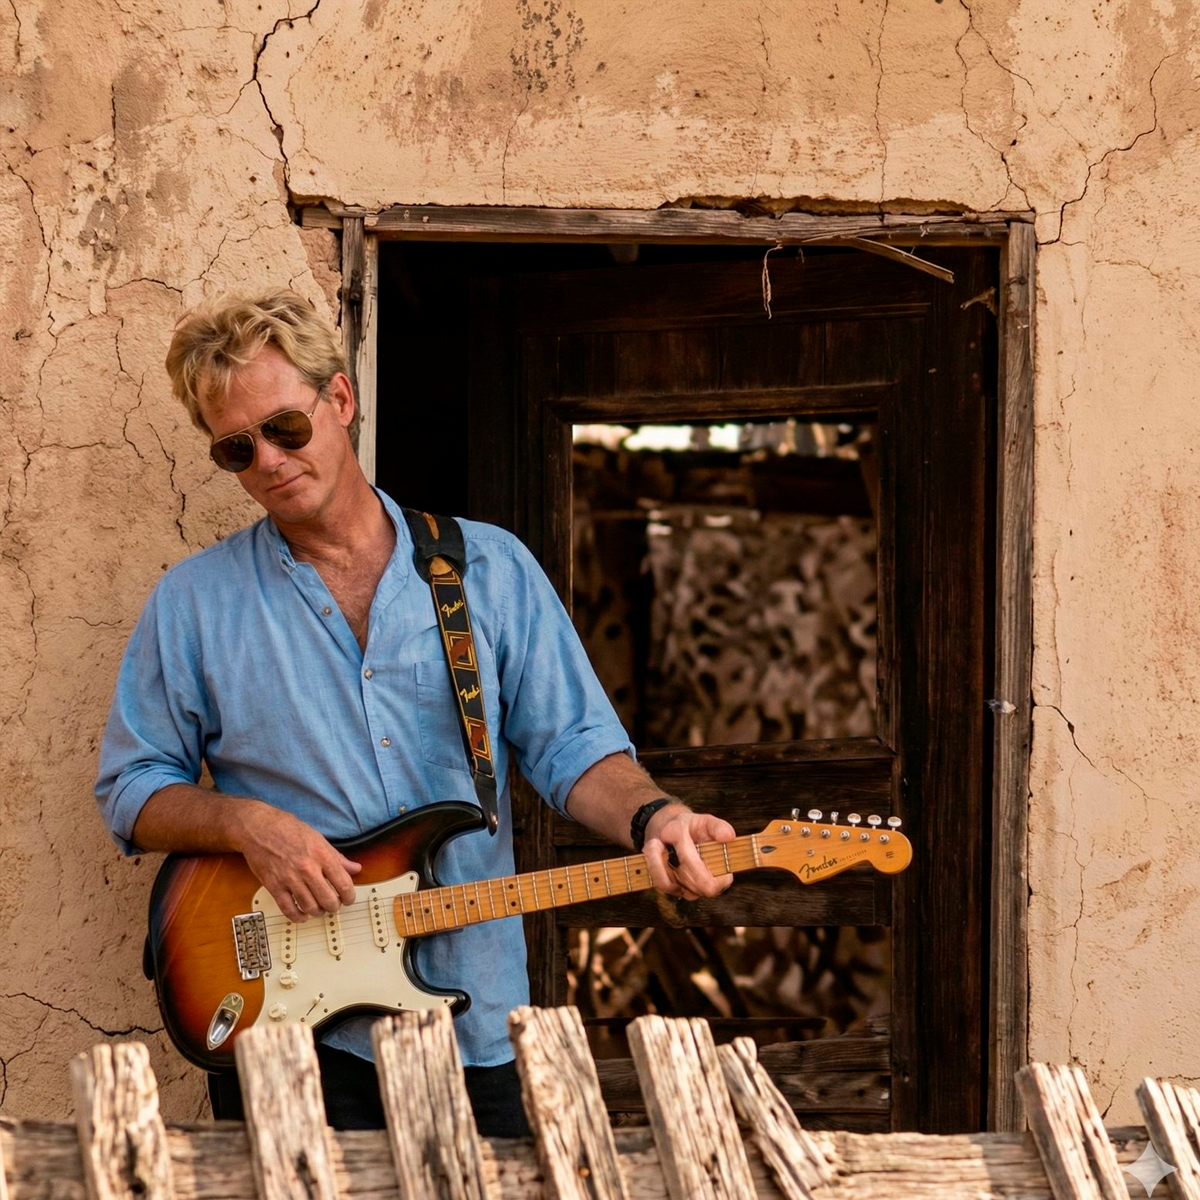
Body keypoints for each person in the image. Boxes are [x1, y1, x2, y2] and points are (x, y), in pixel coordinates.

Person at [94, 290, 735, 1135]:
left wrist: (656, 814)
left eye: (286, 429)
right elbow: (131, 788)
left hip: (475, 1025)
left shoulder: (489, 570)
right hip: (289, 1036)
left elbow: (575, 748)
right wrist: (248, 824)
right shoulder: (194, 604)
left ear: (342, 400)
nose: (270, 463)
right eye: (237, 450)